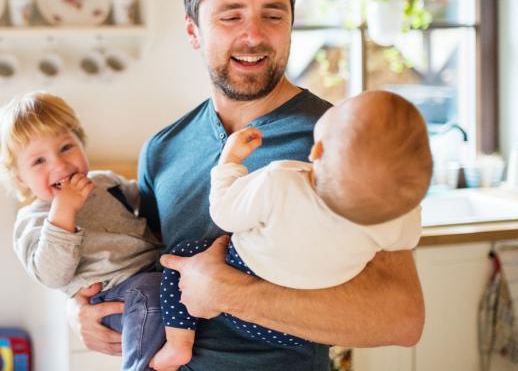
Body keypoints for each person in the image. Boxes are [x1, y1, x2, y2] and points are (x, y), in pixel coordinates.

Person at [67, 0, 425, 370]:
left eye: (272, 16)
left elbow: (402, 317)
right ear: (193, 30)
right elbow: (141, 265)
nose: (253, 36)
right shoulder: (162, 150)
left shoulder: (339, 143)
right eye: (230, 16)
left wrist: (229, 292)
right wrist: (82, 311)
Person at [153, 90, 431, 365]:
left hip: (252, 287)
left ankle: (179, 343)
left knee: (183, 256)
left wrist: (229, 163)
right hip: (290, 335)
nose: (251, 41)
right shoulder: (392, 215)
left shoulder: (284, 177)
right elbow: (145, 251)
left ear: (317, 149)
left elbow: (224, 215)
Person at [0, 91, 170, 371]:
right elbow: (52, 275)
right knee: (151, 292)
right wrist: (64, 212)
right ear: (19, 177)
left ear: (81, 144)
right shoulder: (32, 220)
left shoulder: (105, 182)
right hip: (114, 295)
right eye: (39, 161)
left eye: (66, 147)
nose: (59, 165)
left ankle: (176, 349)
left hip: (154, 272)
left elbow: (151, 200)